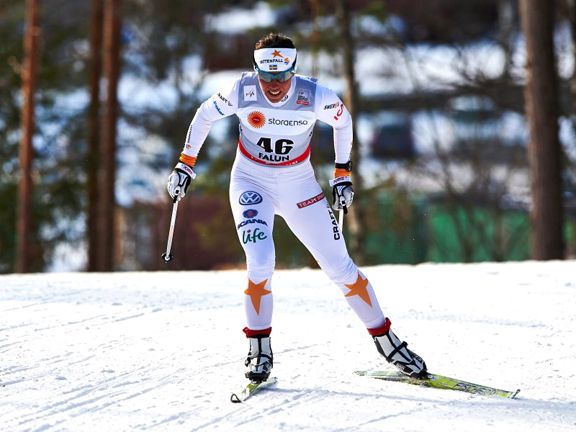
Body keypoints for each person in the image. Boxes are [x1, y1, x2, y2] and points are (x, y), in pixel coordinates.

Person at [167, 33, 427, 383]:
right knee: (260, 260)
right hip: (250, 183)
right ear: (255, 70)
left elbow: (343, 122)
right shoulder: (242, 91)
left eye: (282, 76)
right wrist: (185, 164)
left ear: (293, 69)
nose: (274, 86)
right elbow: (203, 116)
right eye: (266, 76)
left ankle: (386, 341)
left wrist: (342, 173)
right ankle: (259, 348)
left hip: (298, 186)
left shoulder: (314, 95)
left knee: (340, 267)